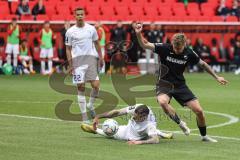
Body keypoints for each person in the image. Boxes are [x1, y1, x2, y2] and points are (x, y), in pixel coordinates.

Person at [135, 23, 228, 142]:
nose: (177, 50)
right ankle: (180, 123)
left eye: (179, 48)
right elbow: (145, 44)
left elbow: (203, 64)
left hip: (180, 85)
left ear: (184, 44)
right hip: (164, 83)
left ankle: (204, 136)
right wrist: (138, 34)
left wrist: (217, 77)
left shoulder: (189, 53)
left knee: (199, 111)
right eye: (175, 48)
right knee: (163, 102)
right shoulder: (164, 48)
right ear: (172, 43)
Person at [65, 7, 104, 122]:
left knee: (96, 86)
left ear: (84, 15)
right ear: (75, 16)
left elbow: (97, 43)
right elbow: (68, 49)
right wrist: (70, 64)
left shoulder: (91, 29)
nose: (80, 16)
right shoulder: (70, 31)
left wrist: (100, 57)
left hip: (91, 61)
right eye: (78, 14)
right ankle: (84, 116)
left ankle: (90, 105)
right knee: (81, 87)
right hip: (77, 62)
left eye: (82, 14)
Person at [81, 104, 173, 145]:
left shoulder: (150, 124)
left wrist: (139, 142)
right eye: (134, 114)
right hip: (128, 128)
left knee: (111, 133)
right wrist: (98, 116)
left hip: (136, 136)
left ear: (144, 117)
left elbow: (155, 140)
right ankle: (164, 134)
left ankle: (96, 130)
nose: (133, 117)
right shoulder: (138, 108)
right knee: (115, 129)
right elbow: (117, 112)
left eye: (136, 117)